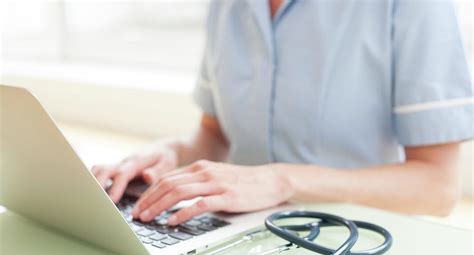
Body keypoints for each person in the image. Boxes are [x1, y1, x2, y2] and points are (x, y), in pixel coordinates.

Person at [92, 0, 473, 226]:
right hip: (240, 244)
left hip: (362, 242)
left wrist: (282, 181)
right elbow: (216, 133)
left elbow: (438, 188)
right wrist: (171, 155)